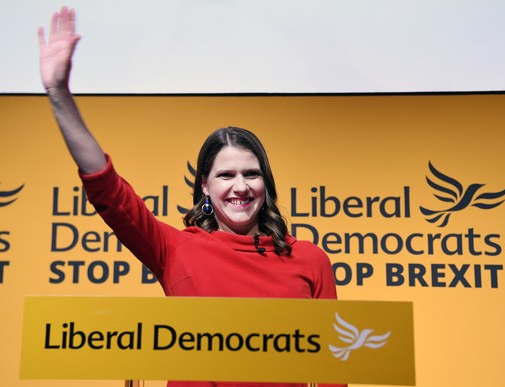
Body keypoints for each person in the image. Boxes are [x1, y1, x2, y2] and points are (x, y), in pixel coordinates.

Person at [38, 6, 344, 387]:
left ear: (266, 183)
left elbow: (335, 375)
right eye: (226, 175)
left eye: (252, 174)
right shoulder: (176, 249)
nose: (241, 186)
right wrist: (58, 94)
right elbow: (108, 190)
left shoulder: (310, 260)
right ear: (205, 185)